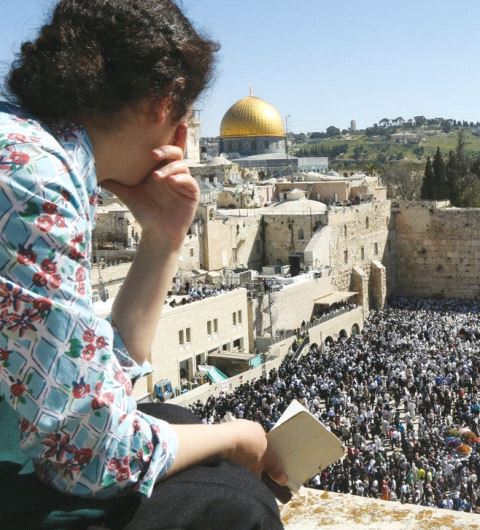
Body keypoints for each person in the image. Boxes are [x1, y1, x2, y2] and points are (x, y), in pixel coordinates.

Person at [0, 1, 286, 527]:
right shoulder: (34, 182)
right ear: (164, 104)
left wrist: (164, 237)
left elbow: (94, 381)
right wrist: (241, 435)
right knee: (234, 503)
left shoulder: (28, 149)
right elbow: (93, 457)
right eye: (184, 120)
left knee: (172, 420)